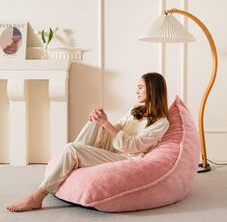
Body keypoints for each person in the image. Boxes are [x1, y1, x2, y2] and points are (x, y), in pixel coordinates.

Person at [7, 72, 170, 212]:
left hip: (126, 157)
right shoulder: (136, 109)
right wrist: (100, 119)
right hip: (113, 146)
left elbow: (132, 146)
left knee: (72, 149)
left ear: (152, 88)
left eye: (140, 87)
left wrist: (106, 124)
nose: (137, 91)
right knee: (94, 121)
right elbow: (118, 127)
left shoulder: (161, 123)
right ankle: (73, 160)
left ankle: (37, 197)